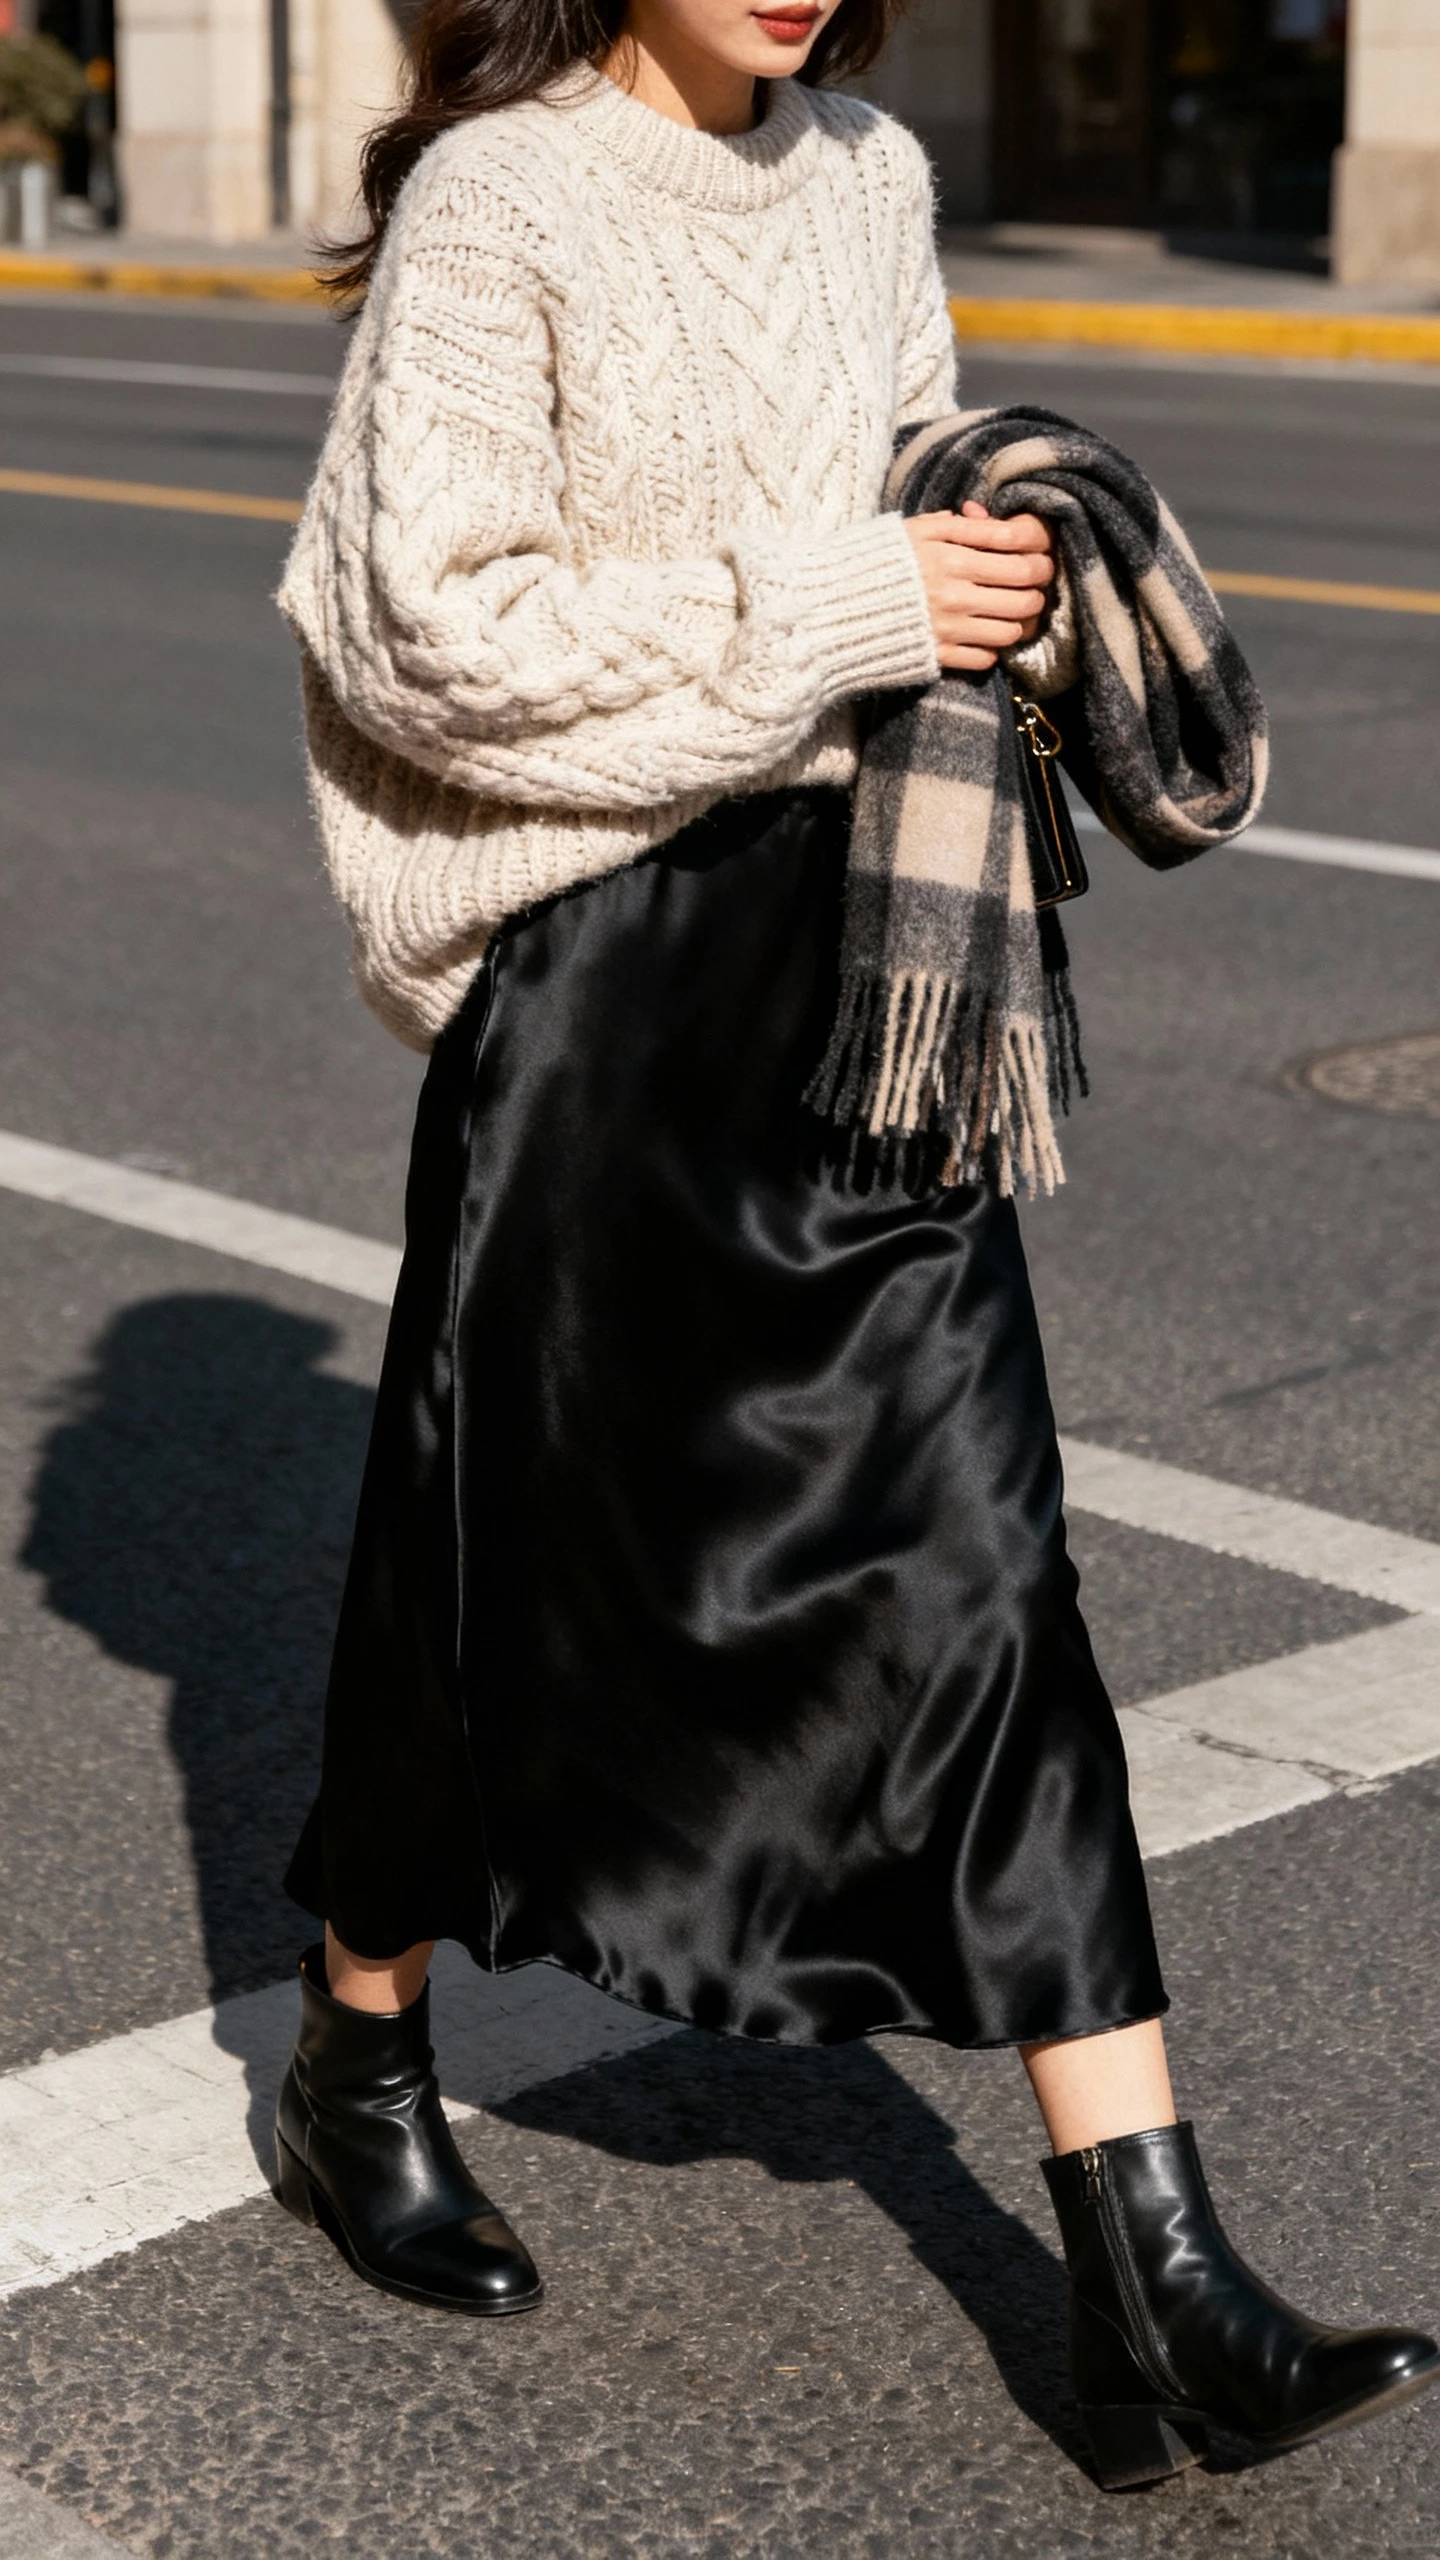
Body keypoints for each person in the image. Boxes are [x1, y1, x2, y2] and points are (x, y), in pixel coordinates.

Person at [272, 0, 1437, 2490]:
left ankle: (1158, 2271)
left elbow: (906, 547)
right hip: (598, 993)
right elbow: (429, 632)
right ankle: (359, 2043)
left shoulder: (875, 174)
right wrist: (851, 599)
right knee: (502, 1576)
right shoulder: (506, 196)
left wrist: (996, 572)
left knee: (988, 1574)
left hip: (867, 981)